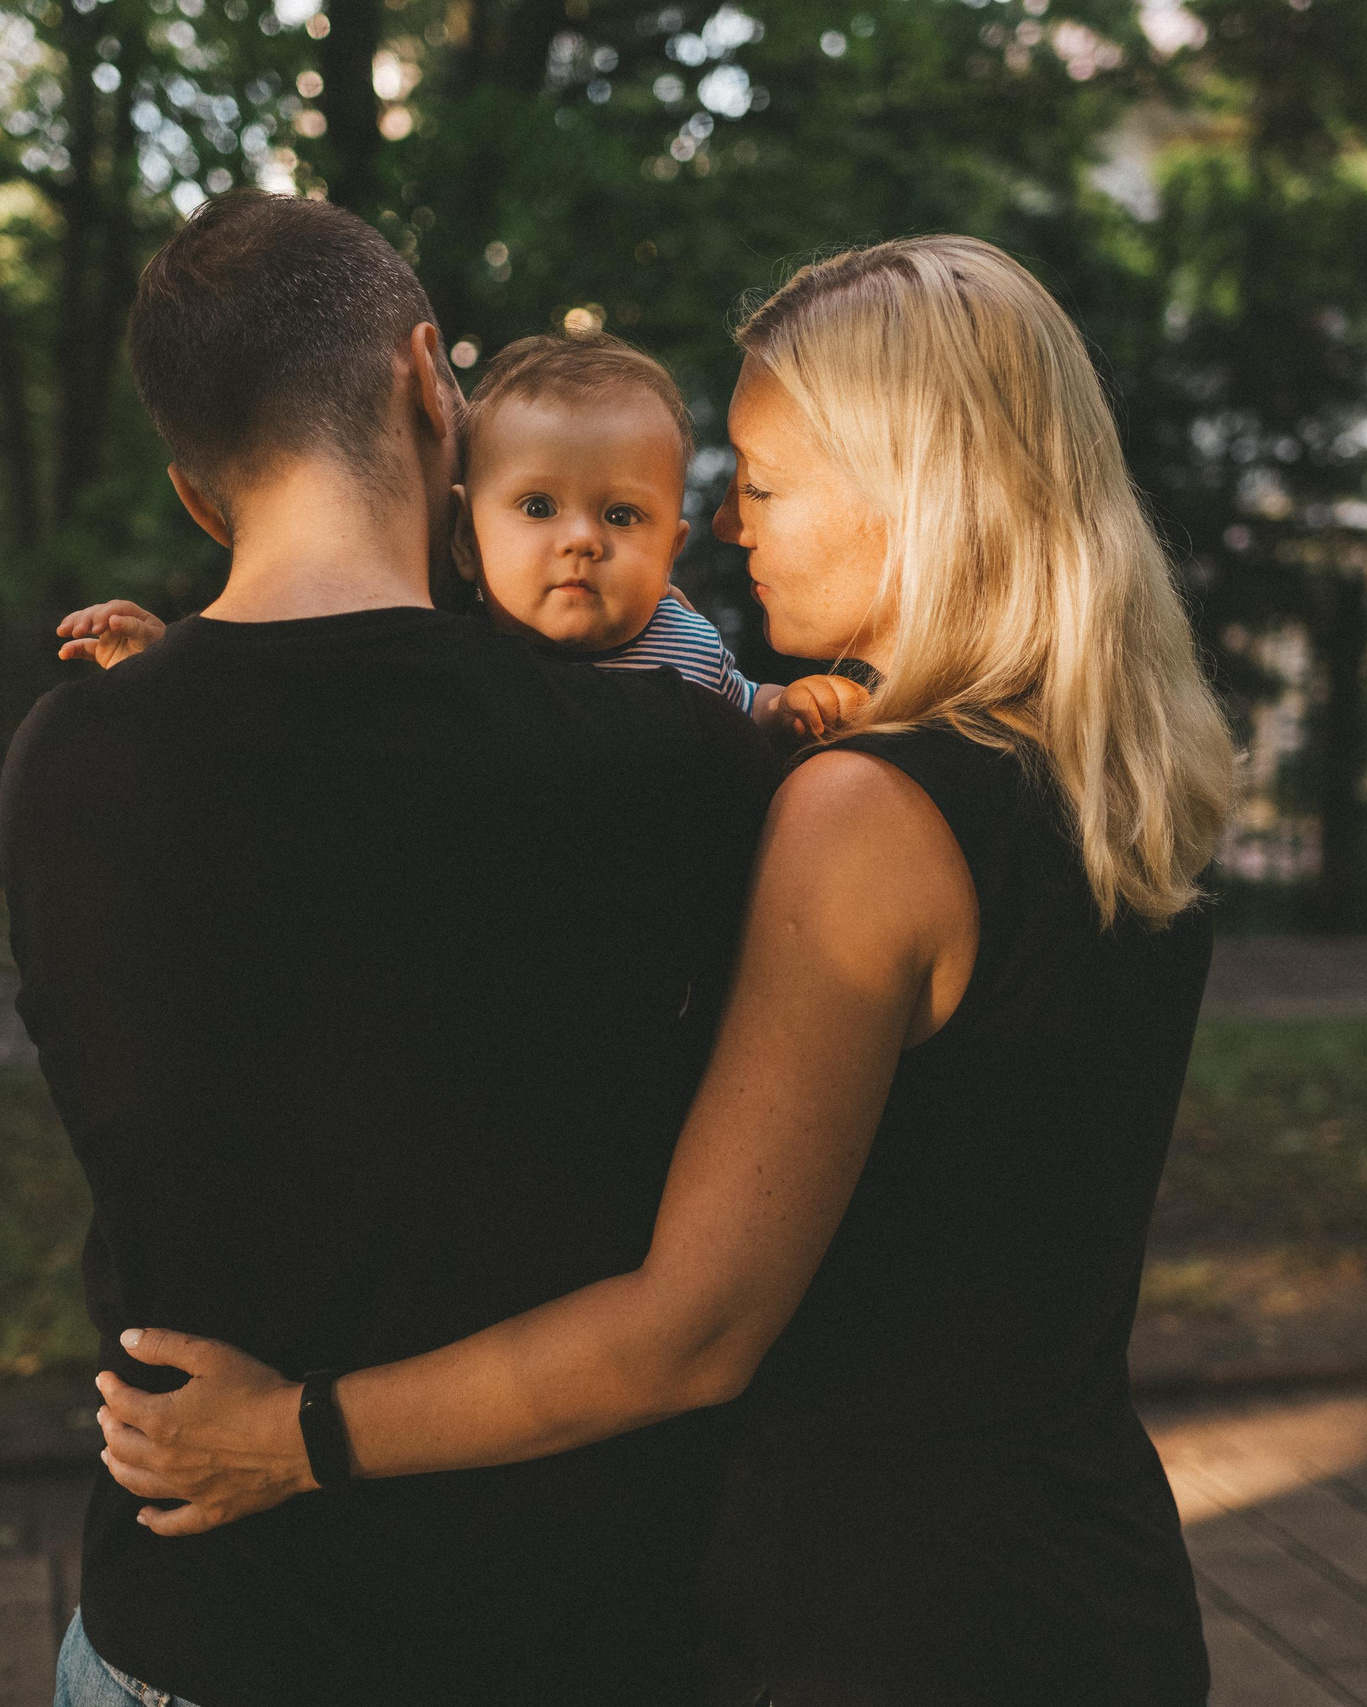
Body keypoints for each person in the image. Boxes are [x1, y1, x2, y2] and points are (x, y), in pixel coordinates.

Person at [90, 235, 1239, 1705]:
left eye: (760, 479)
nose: (721, 520)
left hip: (883, 1621)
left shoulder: (869, 814)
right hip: (1089, 1586)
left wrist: (300, 1431)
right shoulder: (1110, 788)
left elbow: (692, 1328)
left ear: (908, 490)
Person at [1, 188, 780, 1707]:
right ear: (434, 380)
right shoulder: (664, 761)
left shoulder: (65, 759)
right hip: (551, 1627)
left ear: (197, 493)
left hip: (180, 1624)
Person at [61, 330, 872, 741]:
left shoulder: (689, 643)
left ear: (672, 551)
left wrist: (791, 708)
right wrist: (169, 663)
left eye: (622, 517)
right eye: (538, 508)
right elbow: (298, 712)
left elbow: (746, 704)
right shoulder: (453, 650)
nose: (582, 540)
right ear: (463, 539)